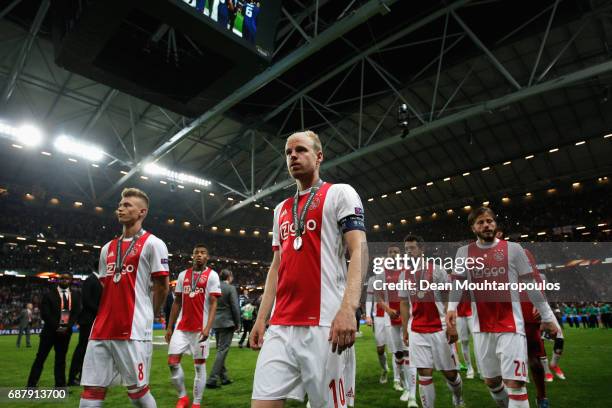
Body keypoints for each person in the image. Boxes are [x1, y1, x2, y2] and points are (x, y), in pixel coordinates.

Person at [250, 130, 367, 408]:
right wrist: (261, 318)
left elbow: (359, 250)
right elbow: (276, 267)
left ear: (319, 156)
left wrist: (348, 309)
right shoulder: (280, 209)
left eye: (301, 150)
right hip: (281, 326)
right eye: (289, 152)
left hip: (325, 324)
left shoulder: (340, 193)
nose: (293, 156)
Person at [446, 206, 558, 408]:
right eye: (481, 222)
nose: (486, 225)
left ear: (495, 224)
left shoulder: (514, 249)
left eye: (489, 221)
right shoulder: (463, 253)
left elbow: (530, 286)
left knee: (515, 384)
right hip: (481, 328)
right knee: (492, 382)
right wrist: (451, 308)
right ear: (473, 228)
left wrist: (548, 317)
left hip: (511, 326)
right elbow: (457, 283)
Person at [79, 188, 169, 408]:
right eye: (120, 204)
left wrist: (149, 314)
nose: (121, 207)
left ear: (142, 212)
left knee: (138, 395)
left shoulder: (154, 244)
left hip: (133, 330)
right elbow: (106, 285)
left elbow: (163, 287)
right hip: (100, 329)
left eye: (128, 205)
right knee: (91, 394)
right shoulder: (107, 248)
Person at [399, 235, 465, 408]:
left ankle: (458, 397)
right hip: (417, 330)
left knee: (450, 374)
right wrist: (405, 330)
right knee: (424, 373)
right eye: (406, 249)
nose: (409, 252)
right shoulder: (403, 275)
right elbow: (404, 303)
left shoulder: (437, 270)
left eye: (412, 248)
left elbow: (447, 300)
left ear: (422, 249)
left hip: (440, 328)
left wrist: (452, 326)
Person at [166, 244, 221, 408]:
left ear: (207, 257)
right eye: (196, 252)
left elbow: (213, 304)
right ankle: (182, 397)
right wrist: (169, 327)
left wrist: (207, 328)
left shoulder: (212, 276)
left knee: (199, 366)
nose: (199, 255)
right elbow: (177, 302)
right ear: (192, 256)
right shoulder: (183, 275)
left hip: (200, 330)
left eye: (203, 253)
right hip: (182, 328)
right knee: (172, 362)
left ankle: (196, 403)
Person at [375, 245, 417, 406]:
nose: (393, 254)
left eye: (396, 252)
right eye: (390, 252)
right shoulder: (381, 274)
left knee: (408, 353)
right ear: (387, 255)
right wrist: (387, 309)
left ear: (400, 255)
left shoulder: (407, 271)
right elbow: (378, 296)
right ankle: (398, 381)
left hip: (407, 317)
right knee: (398, 354)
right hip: (390, 318)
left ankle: (411, 392)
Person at [27, 273, 82, 388]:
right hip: (50, 332)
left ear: (71, 280)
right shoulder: (49, 295)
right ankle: (31, 385)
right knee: (40, 358)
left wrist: (67, 326)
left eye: (67, 278)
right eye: (62, 278)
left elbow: (76, 313)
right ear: (58, 280)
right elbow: (45, 314)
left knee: (61, 360)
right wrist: (58, 327)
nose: (65, 280)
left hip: (65, 333)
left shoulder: (75, 295)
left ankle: (60, 386)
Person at [206, 269, 240, 388]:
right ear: (229, 276)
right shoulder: (230, 288)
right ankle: (212, 379)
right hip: (227, 322)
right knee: (222, 351)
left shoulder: (214, 287)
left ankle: (224, 377)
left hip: (215, 322)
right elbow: (235, 307)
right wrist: (238, 323)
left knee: (220, 350)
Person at [69, 271, 103, 386]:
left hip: (94, 320)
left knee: (91, 350)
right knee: (82, 349)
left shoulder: (98, 280)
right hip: (88, 320)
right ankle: (72, 377)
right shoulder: (90, 280)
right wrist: (100, 311)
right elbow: (86, 300)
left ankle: (84, 376)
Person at [365, 274, 399, 388]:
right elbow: (370, 298)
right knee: (380, 349)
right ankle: (384, 370)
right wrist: (368, 315)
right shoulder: (373, 279)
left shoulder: (397, 276)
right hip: (378, 317)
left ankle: (397, 379)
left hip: (393, 315)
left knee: (396, 348)